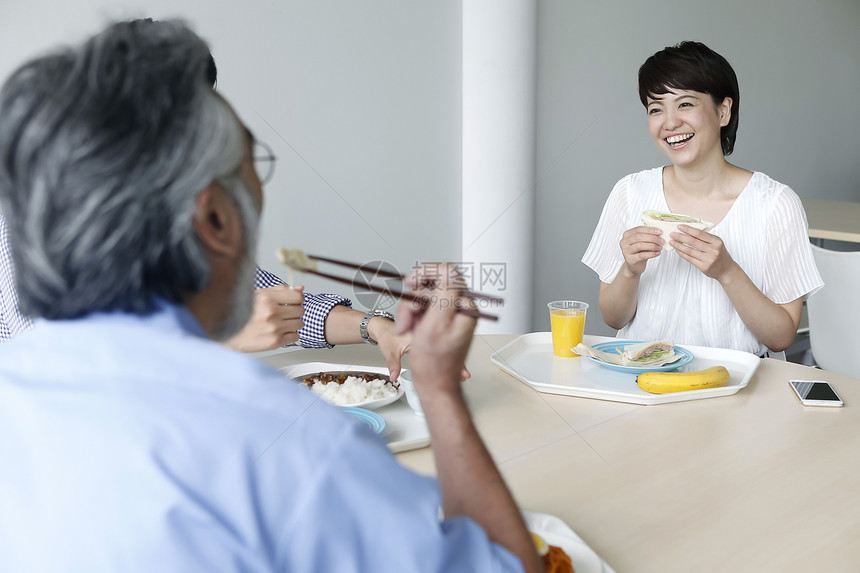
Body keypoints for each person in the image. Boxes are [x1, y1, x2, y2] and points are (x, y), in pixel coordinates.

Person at [0, 19, 540, 572]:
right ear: (214, 216)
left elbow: (274, 299)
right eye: (252, 164)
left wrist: (377, 325)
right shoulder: (295, 445)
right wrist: (438, 387)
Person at [0, 30, 410, 379]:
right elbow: (61, 373)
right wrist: (219, 341)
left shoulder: (177, 207)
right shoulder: (31, 221)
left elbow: (258, 298)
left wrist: (374, 325)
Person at [582, 41, 823, 356]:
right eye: (656, 108)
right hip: (643, 386)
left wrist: (727, 271)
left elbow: (780, 337)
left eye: (685, 104)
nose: (669, 123)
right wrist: (630, 270)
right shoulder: (630, 192)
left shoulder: (775, 204)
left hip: (735, 390)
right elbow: (613, 318)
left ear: (723, 111)